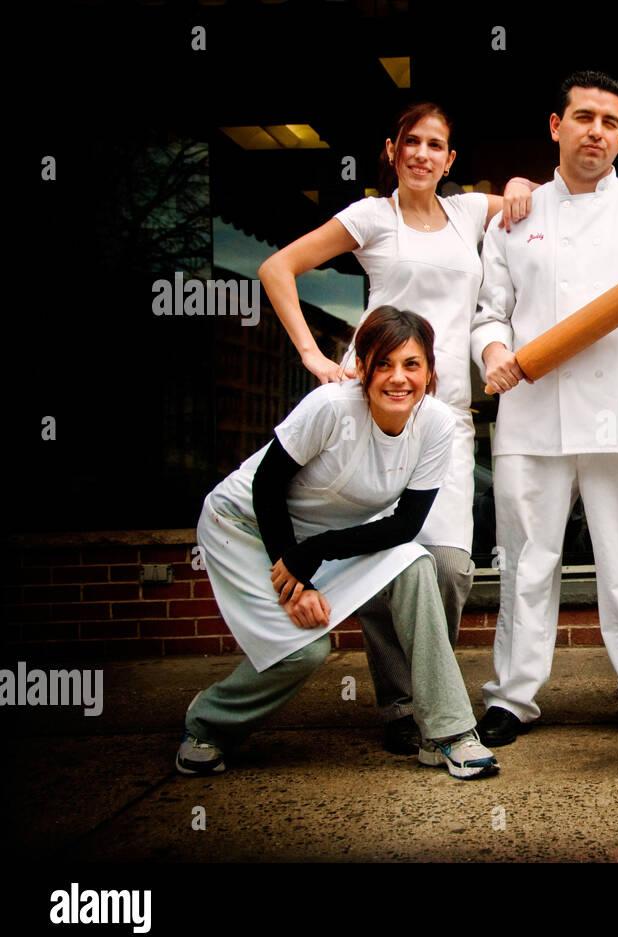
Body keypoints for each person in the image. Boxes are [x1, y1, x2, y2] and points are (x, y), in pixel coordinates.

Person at [258, 102, 537, 754]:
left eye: (435, 144)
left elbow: (526, 201)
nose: (422, 154)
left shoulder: (467, 211)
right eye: (411, 142)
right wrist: (311, 354)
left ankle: (422, 694)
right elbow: (277, 268)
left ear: (450, 158)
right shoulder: (370, 217)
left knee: (448, 566)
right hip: (376, 412)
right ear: (392, 149)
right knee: (386, 558)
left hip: (449, 417)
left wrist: (521, 188)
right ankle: (405, 707)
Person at [470, 70, 618, 746]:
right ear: (556, 126)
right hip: (533, 414)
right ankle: (512, 696)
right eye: (583, 117)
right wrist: (492, 356)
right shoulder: (519, 214)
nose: (596, 130)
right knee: (526, 560)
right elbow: (490, 312)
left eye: (610, 121)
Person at [175, 306, 498, 779]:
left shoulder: (435, 424)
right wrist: (297, 578)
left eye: (411, 365)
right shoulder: (330, 407)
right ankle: (206, 725)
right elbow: (267, 486)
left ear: (429, 372)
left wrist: (316, 552)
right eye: (383, 363)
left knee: (415, 563)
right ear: (362, 367)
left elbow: (405, 525)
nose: (398, 378)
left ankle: (447, 733)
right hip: (244, 528)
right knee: (306, 650)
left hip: (313, 543)